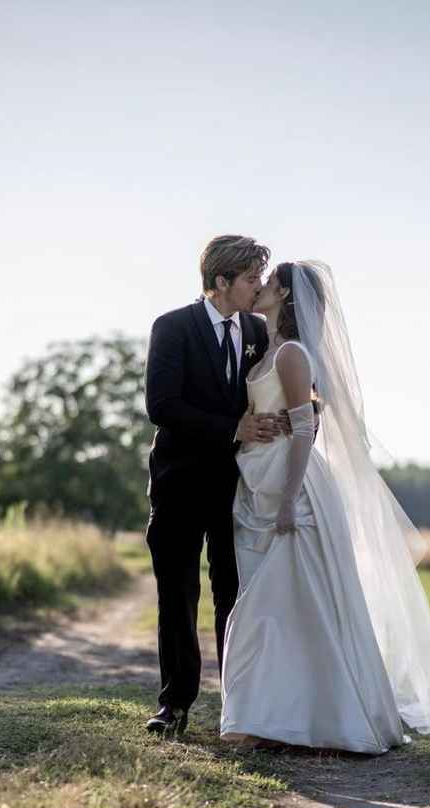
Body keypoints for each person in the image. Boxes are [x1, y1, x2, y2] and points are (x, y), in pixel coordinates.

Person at [221, 261, 430, 751]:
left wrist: (289, 499)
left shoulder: (291, 353)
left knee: (280, 607)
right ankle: (278, 720)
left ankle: (293, 720)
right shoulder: (265, 349)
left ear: (285, 295)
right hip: (257, 479)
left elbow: (305, 428)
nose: (259, 288)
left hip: (293, 486)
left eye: (268, 283)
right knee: (279, 609)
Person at [143, 234, 287, 737]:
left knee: (235, 596)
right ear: (221, 282)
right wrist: (233, 428)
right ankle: (174, 705)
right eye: (250, 279)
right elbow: (161, 405)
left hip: (238, 489)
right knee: (177, 596)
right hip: (178, 485)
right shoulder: (172, 327)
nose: (258, 287)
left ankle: (238, 710)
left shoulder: (259, 330)